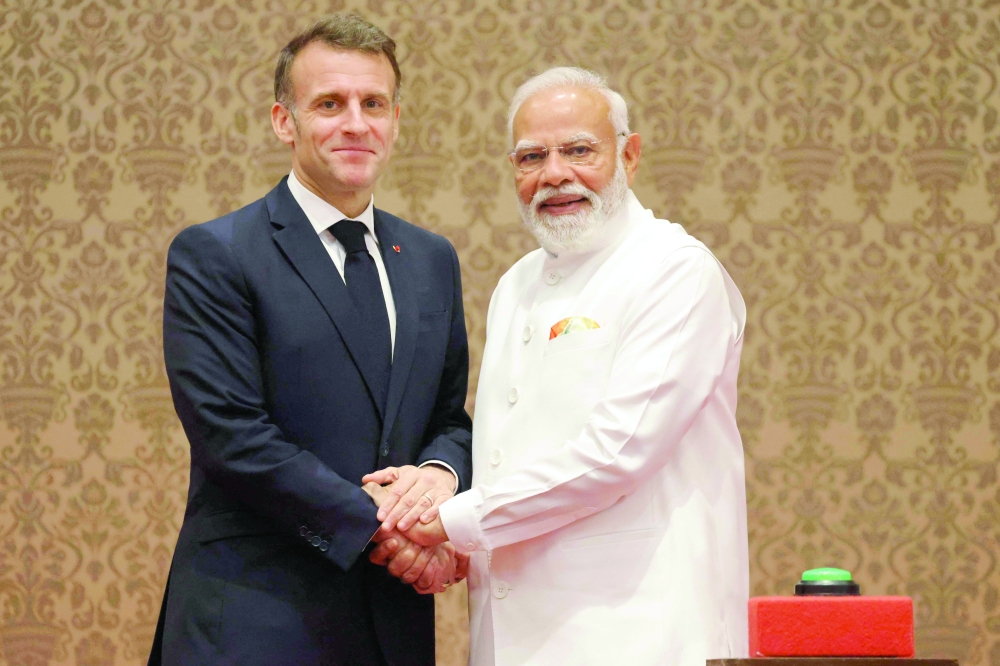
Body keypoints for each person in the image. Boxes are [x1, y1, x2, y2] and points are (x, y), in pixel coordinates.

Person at [367, 67, 749, 666]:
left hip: (638, 629)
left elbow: (616, 452)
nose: (554, 174)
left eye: (579, 150)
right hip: (510, 633)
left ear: (630, 154)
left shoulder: (674, 269)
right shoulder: (515, 285)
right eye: (531, 157)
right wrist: (455, 544)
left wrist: (447, 520)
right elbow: (507, 460)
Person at [150, 13, 472, 666]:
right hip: (255, 620)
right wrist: (386, 526)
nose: (356, 123)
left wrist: (439, 480)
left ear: (395, 121)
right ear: (283, 120)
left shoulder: (432, 259)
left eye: (373, 103)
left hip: (393, 624)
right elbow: (231, 435)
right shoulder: (217, 253)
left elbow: (449, 418)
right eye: (330, 103)